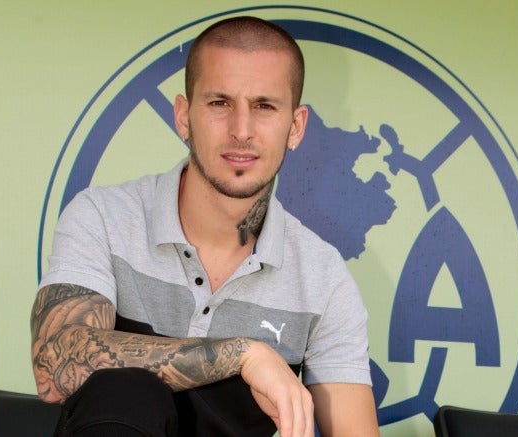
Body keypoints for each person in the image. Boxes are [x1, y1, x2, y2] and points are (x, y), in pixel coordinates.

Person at [31, 15, 380, 437]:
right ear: (183, 117)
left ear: (296, 127)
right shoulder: (104, 217)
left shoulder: (323, 277)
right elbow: (54, 364)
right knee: (126, 390)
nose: (241, 130)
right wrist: (243, 355)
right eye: (219, 103)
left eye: (264, 106)